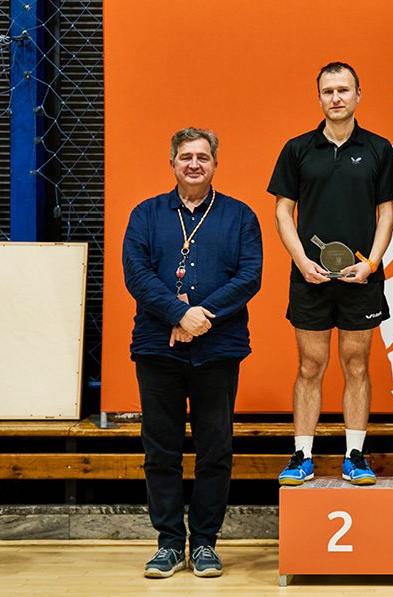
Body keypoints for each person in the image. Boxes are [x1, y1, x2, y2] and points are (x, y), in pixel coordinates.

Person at [122, 127, 263, 578]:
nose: (194, 164)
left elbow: (249, 277)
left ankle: (204, 543)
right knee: (160, 449)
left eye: (203, 157)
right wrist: (178, 314)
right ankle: (168, 543)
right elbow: (136, 274)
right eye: (186, 157)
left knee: (215, 449)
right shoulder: (146, 214)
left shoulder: (240, 216)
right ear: (172, 164)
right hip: (157, 348)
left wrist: (202, 317)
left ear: (215, 164)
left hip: (218, 349)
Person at [269, 62, 393, 486]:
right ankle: (302, 455)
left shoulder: (379, 149)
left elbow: (386, 212)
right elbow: (283, 212)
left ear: (359, 94)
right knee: (310, 365)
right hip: (310, 277)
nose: (336, 98)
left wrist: (371, 263)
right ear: (319, 97)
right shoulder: (297, 149)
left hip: (362, 277)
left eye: (344, 90)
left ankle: (354, 456)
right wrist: (301, 262)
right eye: (328, 91)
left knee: (357, 364)